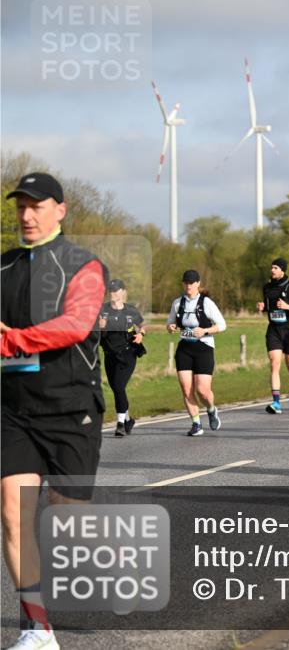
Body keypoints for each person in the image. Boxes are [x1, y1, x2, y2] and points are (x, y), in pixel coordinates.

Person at [2, 173, 108, 650]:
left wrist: (12, 339)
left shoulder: (83, 265)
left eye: (36, 206)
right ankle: (37, 628)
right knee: (13, 512)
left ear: (60, 210)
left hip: (70, 408)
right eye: (20, 206)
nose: (26, 215)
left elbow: (76, 324)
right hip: (13, 409)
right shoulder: (2, 267)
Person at [167, 270, 227, 436]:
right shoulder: (178, 303)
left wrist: (206, 331)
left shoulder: (206, 303)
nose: (189, 285)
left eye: (192, 282)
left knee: (203, 391)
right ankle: (196, 423)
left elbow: (222, 325)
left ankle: (211, 409)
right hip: (185, 349)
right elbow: (170, 323)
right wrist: (171, 327)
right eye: (186, 282)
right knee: (187, 390)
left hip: (204, 348)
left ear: (198, 283)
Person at [257, 258, 289, 415]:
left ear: (283, 270)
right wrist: (263, 307)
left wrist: (288, 307)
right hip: (273, 330)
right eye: (272, 267)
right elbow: (269, 306)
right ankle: (276, 402)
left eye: (276, 268)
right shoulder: (266, 287)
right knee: (274, 364)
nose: (272, 270)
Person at [99, 279, 146, 437]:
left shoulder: (130, 311)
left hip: (128, 353)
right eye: (111, 290)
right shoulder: (102, 310)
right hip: (109, 354)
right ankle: (128, 420)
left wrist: (141, 334)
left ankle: (120, 424)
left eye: (117, 290)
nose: (113, 293)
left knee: (118, 387)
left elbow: (142, 324)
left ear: (123, 292)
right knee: (116, 389)